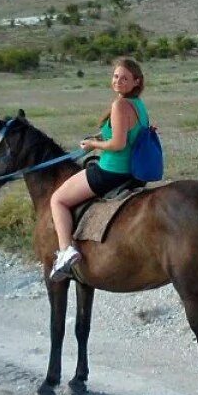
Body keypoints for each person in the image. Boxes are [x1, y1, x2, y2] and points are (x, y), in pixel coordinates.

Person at [49, 57, 150, 281]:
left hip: (111, 171)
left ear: (136, 81)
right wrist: (98, 137)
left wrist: (93, 145)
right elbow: (127, 134)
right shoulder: (138, 105)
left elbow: (118, 144)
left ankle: (66, 252)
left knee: (58, 200)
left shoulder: (120, 105)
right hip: (132, 172)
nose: (118, 81)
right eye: (116, 76)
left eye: (124, 78)